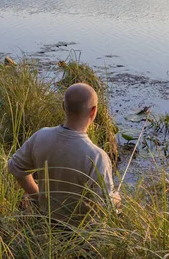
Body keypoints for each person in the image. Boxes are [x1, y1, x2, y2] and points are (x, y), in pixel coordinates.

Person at [7, 83, 118, 220]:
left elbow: (14, 166)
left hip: (45, 221)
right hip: (79, 235)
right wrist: (117, 199)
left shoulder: (41, 136)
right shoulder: (97, 156)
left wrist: (37, 196)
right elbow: (106, 206)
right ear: (93, 111)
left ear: (63, 106)